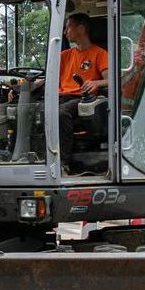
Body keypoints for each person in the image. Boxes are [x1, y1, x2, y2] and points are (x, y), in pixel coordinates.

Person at [57, 12, 109, 172]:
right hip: (60, 97)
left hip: (81, 99)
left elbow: (111, 80)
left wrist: (95, 82)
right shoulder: (64, 56)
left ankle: (62, 164)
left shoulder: (100, 54)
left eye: (68, 27)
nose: (65, 32)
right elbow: (46, 78)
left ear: (81, 28)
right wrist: (21, 86)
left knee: (61, 113)